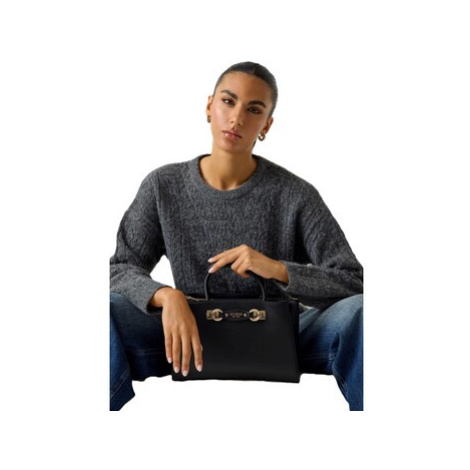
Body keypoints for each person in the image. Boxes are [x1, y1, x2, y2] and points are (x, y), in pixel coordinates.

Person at [110, 61, 364, 411]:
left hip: (281, 334)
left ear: (267, 124)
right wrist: (165, 296)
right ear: (209, 106)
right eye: (228, 102)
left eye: (254, 109)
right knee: (104, 309)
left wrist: (278, 269)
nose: (237, 118)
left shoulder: (296, 194)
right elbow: (120, 268)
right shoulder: (162, 186)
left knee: (361, 312)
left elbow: (353, 280)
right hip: (185, 334)